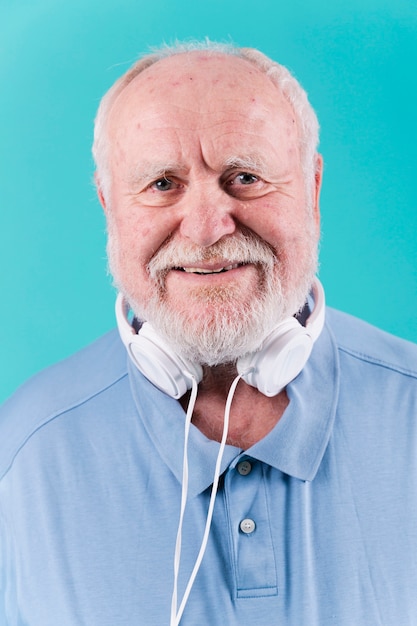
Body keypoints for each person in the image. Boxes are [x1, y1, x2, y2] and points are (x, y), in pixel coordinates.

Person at [1, 40, 416, 626]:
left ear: (313, 191)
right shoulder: (19, 457)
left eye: (245, 176)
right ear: (107, 206)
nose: (205, 227)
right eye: (162, 184)